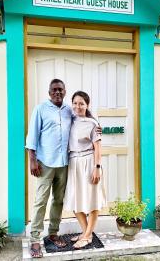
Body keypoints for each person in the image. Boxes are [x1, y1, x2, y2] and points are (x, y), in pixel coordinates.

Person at [25, 78, 72, 258]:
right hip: (45, 163)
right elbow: (32, 136)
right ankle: (35, 239)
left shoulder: (69, 110)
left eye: (60, 89)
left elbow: (82, 119)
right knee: (41, 201)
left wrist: (95, 125)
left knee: (58, 200)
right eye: (54, 90)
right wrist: (32, 160)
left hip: (64, 163)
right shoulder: (40, 109)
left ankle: (53, 233)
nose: (57, 92)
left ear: (65, 91)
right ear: (49, 92)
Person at [63, 91, 107, 249]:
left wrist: (97, 168)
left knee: (92, 200)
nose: (77, 106)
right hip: (74, 163)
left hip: (89, 162)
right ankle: (85, 232)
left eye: (81, 103)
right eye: (75, 103)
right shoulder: (70, 119)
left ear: (87, 105)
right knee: (75, 200)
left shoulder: (93, 123)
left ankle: (88, 235)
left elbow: (98, 147)